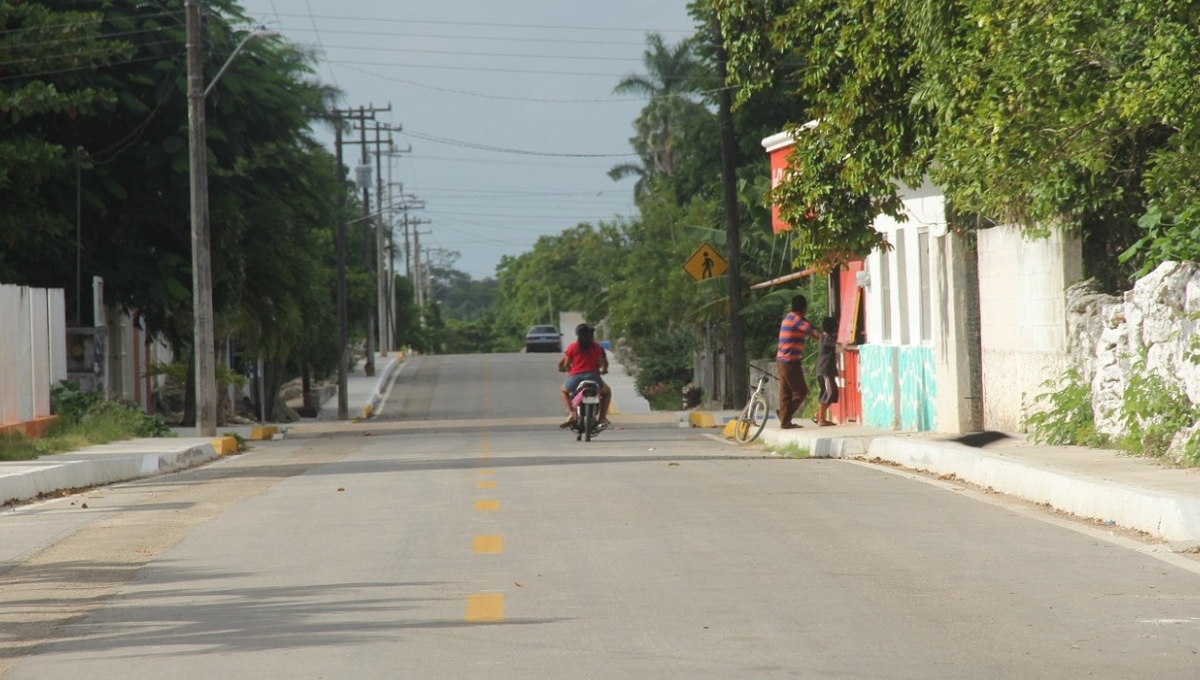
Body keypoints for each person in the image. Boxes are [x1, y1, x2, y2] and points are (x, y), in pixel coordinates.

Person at [776, 294, 823, 429]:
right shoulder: (797, 319)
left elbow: (810, 334)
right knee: (801, 391)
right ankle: (785, 417)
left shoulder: (789, 317)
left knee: (785, 391)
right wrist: (827, 340)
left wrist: (821, 339)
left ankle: (785, 420)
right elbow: (812, 331)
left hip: (781, 359)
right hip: (790, 361)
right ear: (804, 308)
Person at [558, 323, 612, 428]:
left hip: (575, 377)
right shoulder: (596, 347)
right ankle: (602, 417)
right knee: (607, 392)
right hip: (593, 376)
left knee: (563, 391)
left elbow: (566, 364)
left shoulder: (573, 347)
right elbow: (600, 363)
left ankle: (571, 413)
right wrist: (599, 369)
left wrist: (570, 372)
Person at [815, 316, 839, 426]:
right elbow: (839, 345)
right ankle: (821, 419)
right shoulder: (827, 339)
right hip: (825, 371)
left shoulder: (823, 337)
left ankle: (819, 415)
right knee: (828, 394)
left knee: (832, 393)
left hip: (825, 371)